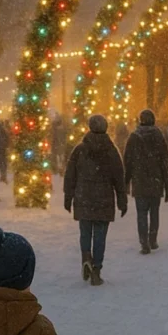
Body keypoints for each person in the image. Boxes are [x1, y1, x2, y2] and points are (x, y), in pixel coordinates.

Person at [64, 114, 127, 285]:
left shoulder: (80, 150)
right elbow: (118, 177)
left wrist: (68, 196)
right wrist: (122, 200)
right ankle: (97, 268)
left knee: (85, 232)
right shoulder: (111, 151)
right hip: (103, 199)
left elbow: (70, 175)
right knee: (100, 235)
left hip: (84, 196)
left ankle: (86, 256)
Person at [123, 109, 168, 254]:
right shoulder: (158, 136)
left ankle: (144, 241)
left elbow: (128, 161)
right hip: (156, 180)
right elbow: (165, 161)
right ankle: (153, 238)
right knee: (154, 211)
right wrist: (167, 183)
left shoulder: (134, 137)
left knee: (141, 213)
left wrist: (126, 181)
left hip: (140, 180)